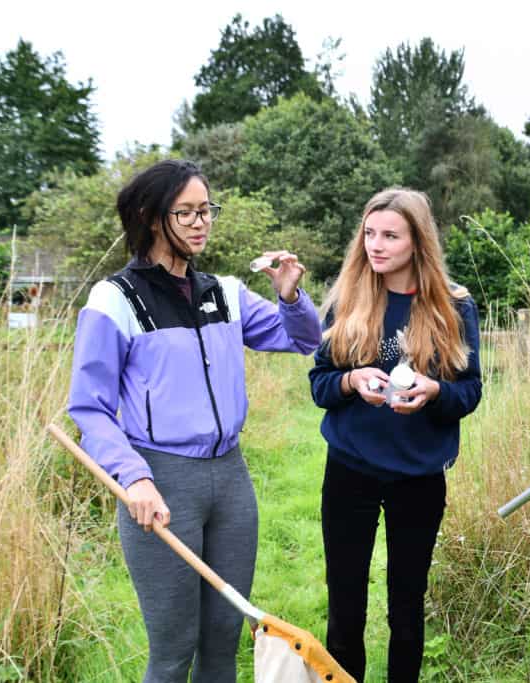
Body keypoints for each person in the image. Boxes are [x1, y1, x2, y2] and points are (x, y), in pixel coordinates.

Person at [67, 159, 321, 682]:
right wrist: (132, 476)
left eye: (207, 211)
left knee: (223, 642)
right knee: (173, 650)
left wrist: (291, 295)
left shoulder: (224, 293)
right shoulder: (114, 302)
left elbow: (302, 339)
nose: (201, 223)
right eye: (186, 213)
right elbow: (90, 407)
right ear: (151, 217)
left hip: (230, 480)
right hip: (160, 483)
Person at [309, 187, 482, 682]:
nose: (375, 245)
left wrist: (434, 392)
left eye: (390, 235)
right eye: (369, 233)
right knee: (345, 605)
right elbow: (320, 383)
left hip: (419, 476)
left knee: (407, 608)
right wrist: (350, 380)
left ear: (418, 242)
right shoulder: (348, 299)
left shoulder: (453, 306)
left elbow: (470, 391)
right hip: (350, 471)